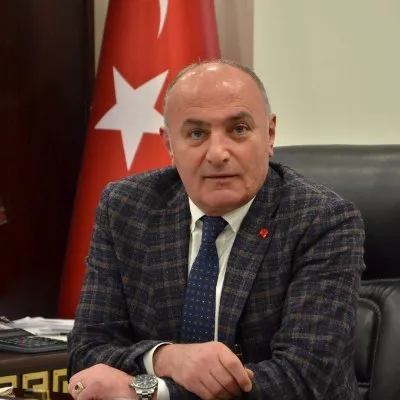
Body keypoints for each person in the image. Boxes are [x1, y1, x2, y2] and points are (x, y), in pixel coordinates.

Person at [67, 59, 365, 400]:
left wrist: (152, 392)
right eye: (197, 134)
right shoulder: (127, 207)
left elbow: (302, 378)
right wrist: (166, 357)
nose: (218, 153)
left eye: (238, 129)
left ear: (269, 134)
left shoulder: (322, 221)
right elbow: (86, 350)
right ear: (169, 144)